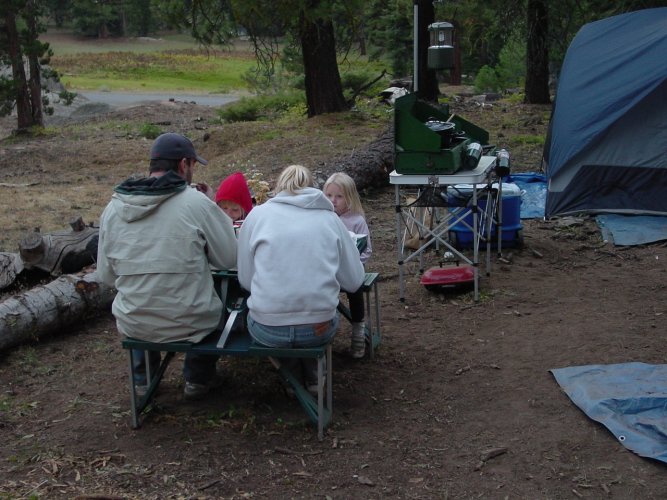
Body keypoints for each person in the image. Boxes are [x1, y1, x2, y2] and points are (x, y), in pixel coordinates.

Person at [96, 132, 238, 400]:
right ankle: (198, 378)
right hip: (190, 322)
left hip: (134, 321)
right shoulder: (196, 203)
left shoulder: (113, 209)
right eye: (193, 165)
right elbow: (228, 259)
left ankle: (143, 380)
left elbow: (106, 274)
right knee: (219, 299)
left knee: (140, 298)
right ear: (184, 164)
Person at [237, 164, 364, 393]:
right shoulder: (330, 219)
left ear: (278, 187)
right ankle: (313, 374)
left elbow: (246, 281)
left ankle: (292, 375)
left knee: (275, 327)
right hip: (318, 326)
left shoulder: (257, 216)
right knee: (312, 324)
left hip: (269, 327)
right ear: (313, 188)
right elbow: (354, 282)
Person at [323, 172, 372, 358]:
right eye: (329, 195)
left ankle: (358, 330)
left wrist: (355, 263)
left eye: (339, 196)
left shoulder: (357, 221)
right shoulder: (323, 218)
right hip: (327, 269)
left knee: (355, 288)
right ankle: (322, 328)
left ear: (349, 197)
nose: (333, 200)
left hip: (350, 269)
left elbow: (366, 250)